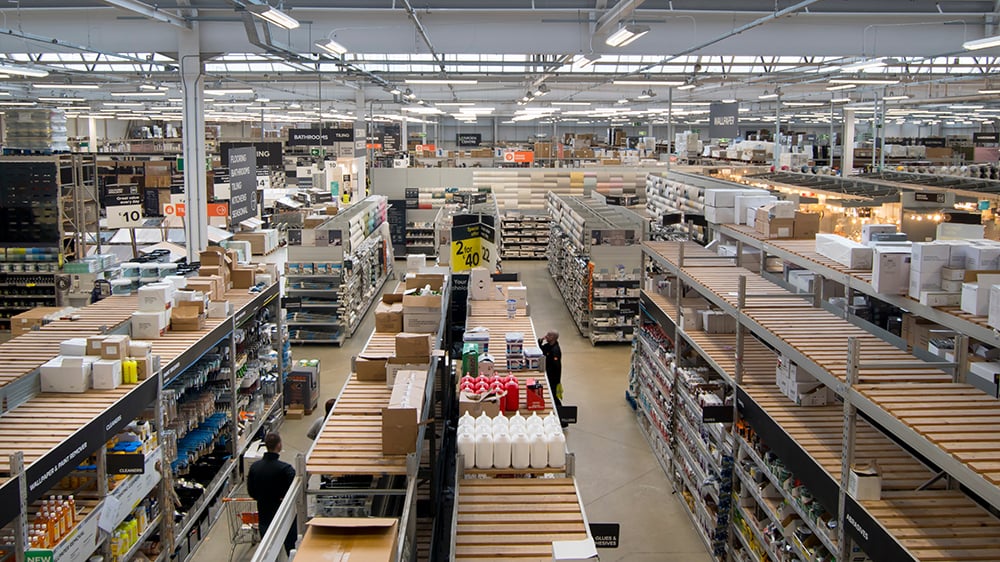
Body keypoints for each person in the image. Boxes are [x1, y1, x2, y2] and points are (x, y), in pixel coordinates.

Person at [247, 432, 297, 555]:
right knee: (291, 548)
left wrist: (264, 497)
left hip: (264, 514)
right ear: (279, 446)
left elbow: (251, 491)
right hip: (284, 514)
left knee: (267, 550)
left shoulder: (254, 467)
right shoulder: (286, 470)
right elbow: (296, 490)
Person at [538, 330, 567, 426]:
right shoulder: (549, 346)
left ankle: (563, 421)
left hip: (553, 378)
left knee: (554, 397)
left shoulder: (555, 350)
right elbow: (541, 350)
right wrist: (540, 341)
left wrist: (550, 377)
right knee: (553, 397)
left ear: (554, 338)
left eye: (549, 335)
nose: (546, 336)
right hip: (548, 375)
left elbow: (556, 366)